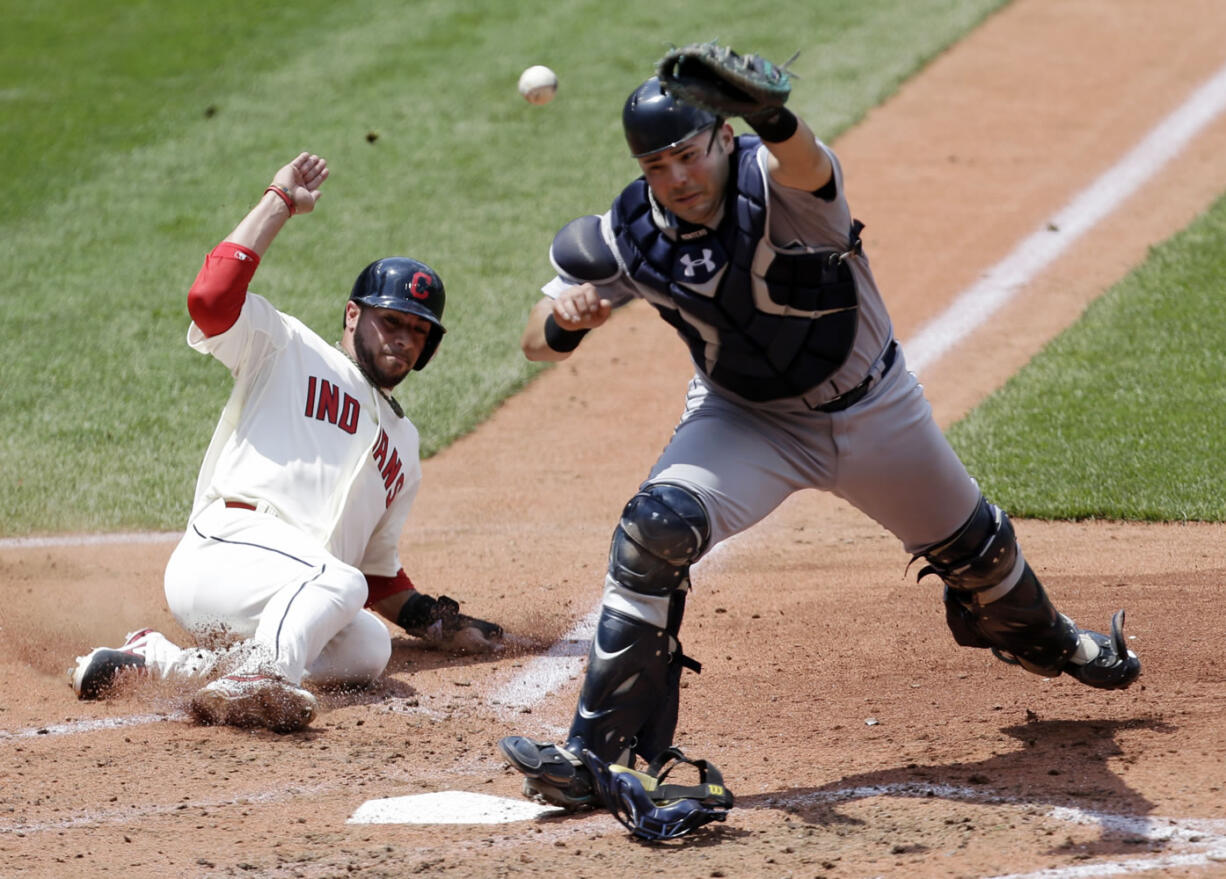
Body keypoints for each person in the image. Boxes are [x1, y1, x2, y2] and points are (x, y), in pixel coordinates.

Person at [498, 51, 1141, 810]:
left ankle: (1057, 639)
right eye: (656, 163)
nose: (675, 176)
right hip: (745, 423)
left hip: (874, 411)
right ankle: (590, 757)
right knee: (653, 531)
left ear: (723, 136)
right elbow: (534, 339)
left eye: (687, 153)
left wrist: (773, 117)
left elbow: (807, 160)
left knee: (985, 563)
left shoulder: (781, 187)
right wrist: (567, 319)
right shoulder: (630, 231)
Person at [70, 152, 502, 733]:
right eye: (392, 322)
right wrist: (278, 202)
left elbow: (376, 574)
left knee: (369, 646)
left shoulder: (404, 444)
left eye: (419, 332)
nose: (404, 340)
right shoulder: (287, 346)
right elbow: (210, 298)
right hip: (225, 554)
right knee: (336, 581)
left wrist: (435, 621)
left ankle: (163, 663)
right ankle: (264, 676)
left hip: (291, 592)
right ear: (352, 316)